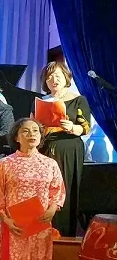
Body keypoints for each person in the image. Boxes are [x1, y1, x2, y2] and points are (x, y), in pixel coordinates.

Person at [0, 118, 65, 260]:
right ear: (17, 137)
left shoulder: (50, 164)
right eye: (25, 131)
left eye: (35, 131)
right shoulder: (5, 163)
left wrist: (52, 209)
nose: (31, 134)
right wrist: (6, 220)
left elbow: (58, 190)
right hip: (14, 226)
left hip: (40, 225)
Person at [39, 61, 91, 236]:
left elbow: (85, 128)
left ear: (66, 78)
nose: (53, 80)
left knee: (65, 189)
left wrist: (71, 127)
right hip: (45, 148)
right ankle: (42, 229)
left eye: (58, 76)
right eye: (50, 77)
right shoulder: (40, 101)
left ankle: (64, 233)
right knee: (44, 189)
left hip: (68, 148)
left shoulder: (78, 100)